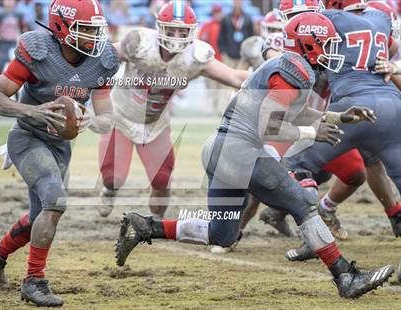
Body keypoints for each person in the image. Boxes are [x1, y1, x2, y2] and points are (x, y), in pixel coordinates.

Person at [116, 12, 394, 299]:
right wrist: (312, 133)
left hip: (221, 149)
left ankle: (146, 227)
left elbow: (293, 112)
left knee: (221, 234)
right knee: (305, 204)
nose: (333, 51)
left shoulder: (288, 65)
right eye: (326, 43)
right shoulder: (295, 69)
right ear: (309, 44)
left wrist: (337, 118)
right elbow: (270, 126)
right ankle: (345, 276)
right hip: (242, 152)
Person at [0, 0, 119, 306]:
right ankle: (34, 281)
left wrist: (91, 120)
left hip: (60, 146)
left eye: (97, 29)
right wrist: (34, 111)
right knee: (55, 201)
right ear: (61, 27)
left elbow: (107, 117)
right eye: (87, 30)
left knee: (38, 217)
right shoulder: (38, 51)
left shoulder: (102, 61)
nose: (95, 37)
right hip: (28, 137)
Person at [97, 1, 250, 218]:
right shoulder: (139, 43)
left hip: (155, 124)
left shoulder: (196, 57)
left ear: (191, 32)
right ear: (159, 28)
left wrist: (269, 80)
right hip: (121, 116)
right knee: (113, 178)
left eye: (182, 31)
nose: (176, 36)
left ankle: (154, 223)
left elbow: (234, 76)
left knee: (162, 181)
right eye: (171, 30)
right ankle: (110, 190)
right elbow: (102, 57)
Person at [284, 0, 401, 259]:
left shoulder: (328, 18)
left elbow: (302, 41)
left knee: (296, 164)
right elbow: (390, 47)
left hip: (351, 107)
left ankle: (314, 238)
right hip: (392, 105)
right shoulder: (381, 17)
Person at [217, 0, 253, 69]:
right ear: (233, 5)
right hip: (228, 57)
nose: (237, 6)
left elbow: (251, 37)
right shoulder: (226, 19)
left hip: (243, 57)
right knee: (228, 77)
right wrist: (223, 52)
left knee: (242, 78)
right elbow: (221, 36)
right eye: (236, 4)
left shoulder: (247, 19)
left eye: (239, 4)